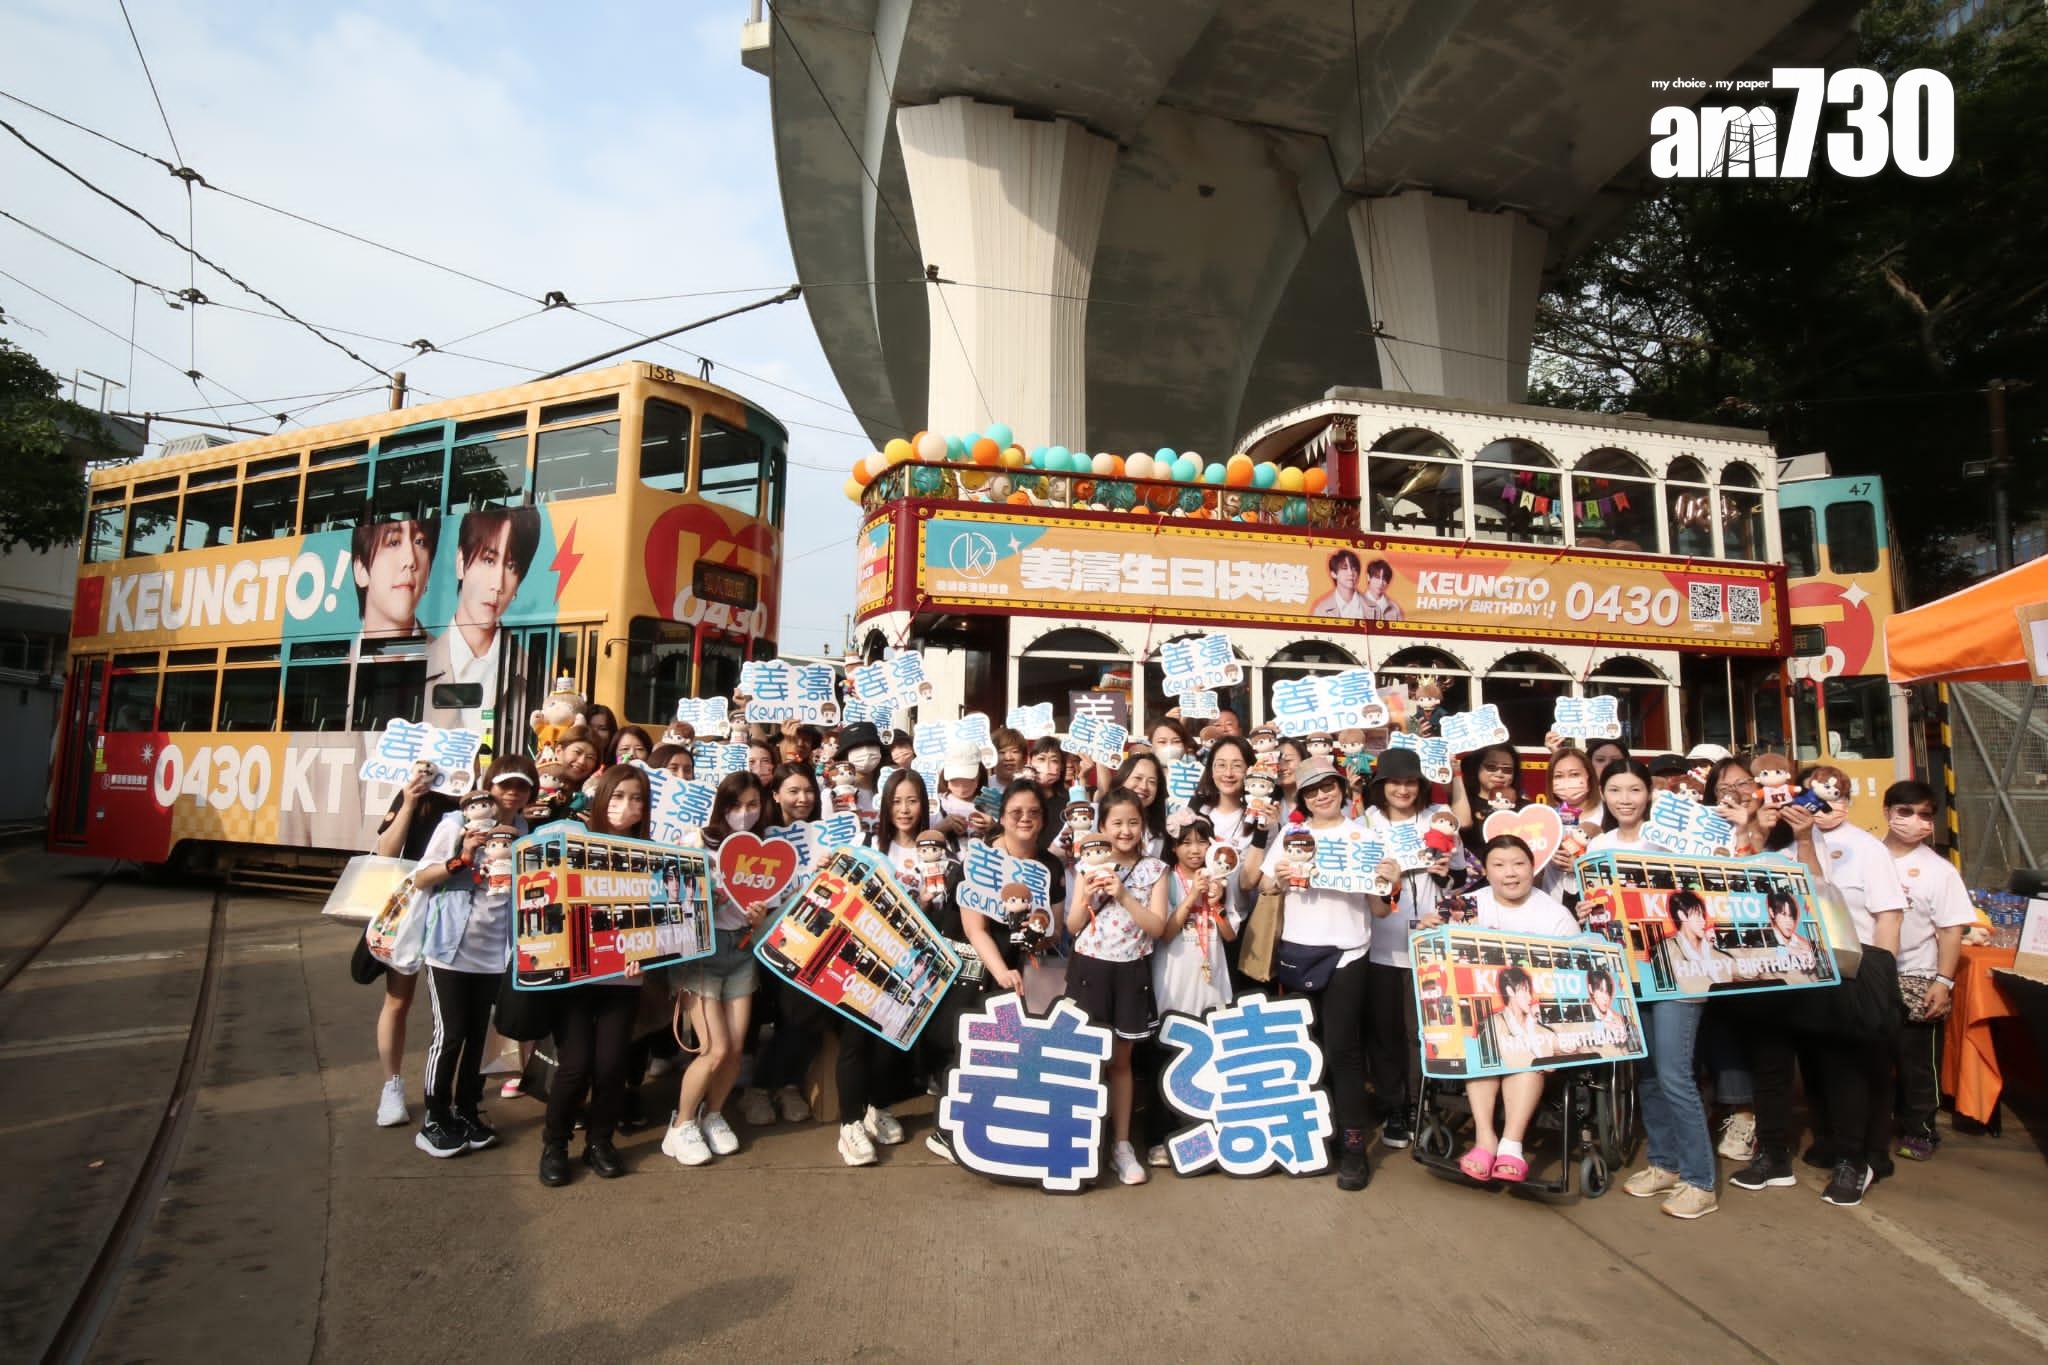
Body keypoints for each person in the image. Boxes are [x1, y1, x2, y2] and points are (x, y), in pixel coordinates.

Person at [1729, 787, 1904, 1208]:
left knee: (1840, 1067)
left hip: (1827, 970)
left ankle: (1852, 1160)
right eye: (1766, 802)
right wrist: (1747, 830)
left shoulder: (1824, 841)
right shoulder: (1741, 837)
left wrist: (1804, 838)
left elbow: (1817, 891)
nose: (1776, 810)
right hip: (1761, 971)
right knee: (1770, 1065)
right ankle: (1773, 1156)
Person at [1258, 756, 1394, 1190]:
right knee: (1304, 1051)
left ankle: (1353, 1147)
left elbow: (1380, 909)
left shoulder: (1365, 836)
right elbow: (1264, 886)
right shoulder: (1291, 835)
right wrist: (1280, 877)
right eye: (1312, 790)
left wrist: (1388, 882)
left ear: (1342, 788)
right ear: (1301, 798)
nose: (1322, 796)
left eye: (1328, 786)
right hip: (1298, 953)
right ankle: (1309, 1137)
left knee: (1343, 1051)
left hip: (1349, 953)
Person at [926, 779, 1069, 1163]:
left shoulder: (1050, 865)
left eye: (1034, 812)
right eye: (1016, 812)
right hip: (983, 965)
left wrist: (1036, 936)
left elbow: (1053, 930)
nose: (1025, 819)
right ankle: (947, 1131)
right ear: (1002, 817)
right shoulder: (982, 859)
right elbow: (975, 929)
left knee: (1010, 1049)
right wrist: (1002, 972)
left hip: (1025, 967)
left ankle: (993, 1124)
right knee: (971, 1044)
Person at [1422, 834, 1576, 1185]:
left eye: (1519, 864)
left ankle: (1511, 1145)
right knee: (1483, 1040)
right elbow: (1439, 963)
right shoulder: (1465, 906)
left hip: (1536, 1021)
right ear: (1486, 871)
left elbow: (1571, 979)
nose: (1510, 873)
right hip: (1483, 1021)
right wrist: (1430, 930)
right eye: (1499, 865)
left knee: (1525, 1047)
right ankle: (1485, 1139)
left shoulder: (1556, 916)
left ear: (1533, 868)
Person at [408, 754, 536, 1158]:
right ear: (489, 787)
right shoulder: (455, 823)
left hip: (496, 952)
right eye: (505, 784)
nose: (513, 792)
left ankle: (466, 1110)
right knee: (450, 1035)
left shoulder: (524, 830)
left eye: (522, 786)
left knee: (480, 1038)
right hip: (450, 948)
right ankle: (434, 1118)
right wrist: (461, 858)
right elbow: (421, 877)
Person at [538, 764, 651, 1186]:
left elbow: (662, 919)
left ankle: (600, 1142)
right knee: (574, 1066)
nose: (626, 806)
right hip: (575, 979)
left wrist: (648, 953)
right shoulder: (573, 843)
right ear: (601, 798)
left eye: (636, 798)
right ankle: (555, 1144)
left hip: (624, 979)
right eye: (618, 796)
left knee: (611, 1065)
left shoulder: (652, 854)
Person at [661, 771, 768, 1168]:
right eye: (736, 804)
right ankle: (682, 1124)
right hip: (701, 953)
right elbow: (670, 893)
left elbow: (770, 908)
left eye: (753, 804)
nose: (744, 812)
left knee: (736, 1049)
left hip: (742, 949)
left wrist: (760, 920)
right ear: (722, 806)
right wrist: (703, 896)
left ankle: (714, 1114)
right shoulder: (696, 842)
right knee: (714, 1048)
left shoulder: (766, 849)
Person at [1063, 786, 1168, 1185]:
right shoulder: (1085, 868)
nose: (1125, 831)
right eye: (1117, 823)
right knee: (1085, 1059)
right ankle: (1081, 1139)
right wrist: (1088, 896)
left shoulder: (1155, 870)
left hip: (1131, 972)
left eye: (1133, 822)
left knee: (1122, 1062)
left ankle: (1121, 1146)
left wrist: (1123, 895)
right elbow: (1072, 926)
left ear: (1143, 825)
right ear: (1102, 826)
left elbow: (1157, 927)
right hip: (1089, 969)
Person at [834, 770, 936, 1167]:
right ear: (884, 805)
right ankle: (849, 1124)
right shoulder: (867, 846)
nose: (905, 809)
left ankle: (878, 1107)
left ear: (924, 804)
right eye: (896, 801)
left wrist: (927, 905)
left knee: (889, 1042)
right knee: (855, 1041)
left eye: (912, 801)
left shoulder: (938, 850)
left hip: (908, 967)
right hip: (862, 960)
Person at [1362, 746, 1460, 1149]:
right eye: (1394, 783)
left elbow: (1460, 880)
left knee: (1423, 1033)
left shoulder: (1438, 819)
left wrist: (1443, 876)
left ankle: (1425, 1106)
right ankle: (1395, 1109)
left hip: (1430, 945)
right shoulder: (1366, 823)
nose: (1402, 790)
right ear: (1380, 786)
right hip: (1381, 944)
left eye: (1410, 782)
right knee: (1385, 1034)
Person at [1880, 780, 1973, 1163]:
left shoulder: (1940, 871)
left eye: (1924, 815)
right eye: (1905, 812)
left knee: (1917, 1062)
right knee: (1870, 1059)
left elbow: (1951, 930)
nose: (1915, 821)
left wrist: (1943, 981)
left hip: (1917, 975)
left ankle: (1921, 1130)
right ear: (1887, 812)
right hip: (1869, 974)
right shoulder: (1866, 857)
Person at [365, 764, 461, 1127]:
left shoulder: (476, 799)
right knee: (397, 1000)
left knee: (454, 1011)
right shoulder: (416, 795)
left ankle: (450, 1091)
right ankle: (391, 1087)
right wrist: (408, 801)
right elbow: (386, 851)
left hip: (457, 908)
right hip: (409, 908)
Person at [1140, 810, 1237, 1164]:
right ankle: (1162, 1138)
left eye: (1201, 842)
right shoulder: (1164, 878)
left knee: (1210, 1058)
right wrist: (1191, 896)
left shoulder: (1221, 878)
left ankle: (1205, 1136)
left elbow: (1230, 934)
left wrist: (1216, 904)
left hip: (1211, 981)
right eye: (1186, 843)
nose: (1195, 850)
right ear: (1173, 848)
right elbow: (1164, 932)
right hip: (1173, 981)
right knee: (1169, 1060)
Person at [424, 507, 540, 735]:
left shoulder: (536, 677)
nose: (497, 584)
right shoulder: (419, 665)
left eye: (511, 567)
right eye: (488, 560)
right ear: (461, 563)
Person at [351, 517, 436, 641]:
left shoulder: (444, 651)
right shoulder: (339, 652)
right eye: (394, 542)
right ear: (361, 570)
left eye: (420, 542)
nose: (410, 560)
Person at [1109, 751, 1169, 859]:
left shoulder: (1163, 832)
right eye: (1138, 778)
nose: (1144, 787)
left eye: (1152, 782)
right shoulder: (1100, 816)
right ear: (1122, 779)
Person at [1313, 549, 1369, 620]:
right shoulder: (1321, 610)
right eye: (1344, 568)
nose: (1350, 573)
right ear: (1333, 574)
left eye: (1354, 569)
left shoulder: (1374, 608)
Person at [1359, 558, 1405, 622]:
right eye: (1377, 577)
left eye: (1384, 579)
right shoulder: (1357, 604)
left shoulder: (1395, 608)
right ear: (1368, 577)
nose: (1380, 583)